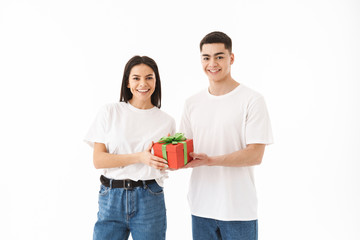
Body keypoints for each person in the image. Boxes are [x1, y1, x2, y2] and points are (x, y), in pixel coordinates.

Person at [179, 31, 273, 240]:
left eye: (219, 56)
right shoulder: (192, 103)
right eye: (206, 57)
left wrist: (212, 160)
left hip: (238, 209)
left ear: (231, 58)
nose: (212, 63)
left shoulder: (252, 100)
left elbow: (255, 155)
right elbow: (183, 152)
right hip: (200, 207)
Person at [84, 55, 175, 240]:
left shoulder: (167, 121)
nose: (143, 83)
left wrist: (176, 160)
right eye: (136, 78)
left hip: (149, 197)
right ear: (127, 82)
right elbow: (98, 160)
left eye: (149, 77)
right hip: (111, 197)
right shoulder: (110, 112)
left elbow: (168, 163)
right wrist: (140, 157)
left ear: (156, 81)